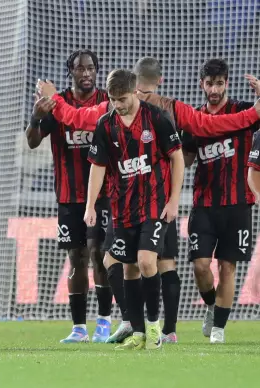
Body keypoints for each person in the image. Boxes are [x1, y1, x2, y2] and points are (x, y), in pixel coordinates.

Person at [37, 59, 260, 343]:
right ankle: (135, 322)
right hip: (125, 204)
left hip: (159, 202)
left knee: (157, 263)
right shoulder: (112, 112)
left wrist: (253, 113)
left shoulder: (164, 111)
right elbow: (211, 125)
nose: (136, 100)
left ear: (144, 87)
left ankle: (162, 328)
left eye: (140, 94)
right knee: (120, 262)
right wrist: (55, 99)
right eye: (134, 95)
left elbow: (210, 128)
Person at [85, 69, 184, 350]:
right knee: (126, 268)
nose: (118, 104)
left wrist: (174, 199)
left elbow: (177, 159)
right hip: (123, 208)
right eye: (113, 99)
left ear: (134, 91)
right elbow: (98, 167)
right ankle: (138, 333)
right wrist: (90, 205)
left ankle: (154, 329)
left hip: (155, 204)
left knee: (146, 261)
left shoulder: (156, 119)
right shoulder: (105, 125)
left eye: (123, 98)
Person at [25, 49, 113, 343]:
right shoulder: (54, 104)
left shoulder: (107, 103)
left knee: (101, 256)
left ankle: (104, 322)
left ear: (97, 72)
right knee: (77, 258)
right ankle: (78, 328)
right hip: (68, 195)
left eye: (91, 68)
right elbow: (33, 141)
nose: (86, 73)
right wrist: (36, 117)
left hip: (103, 194)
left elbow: (80, 121)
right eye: (80, 69)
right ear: (70, 72)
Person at [180, 59, 260, 344]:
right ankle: (212, 306)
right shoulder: (194, 119)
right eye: (209, 83)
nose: (214, 89)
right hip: (204, 204)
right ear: (202, 84)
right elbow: (187, 161)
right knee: (200, 266)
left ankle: (219, 330)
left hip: (239, 204)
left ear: (227, 83)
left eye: (219, 83)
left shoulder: (243, 111)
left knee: (228, 266)